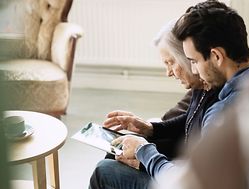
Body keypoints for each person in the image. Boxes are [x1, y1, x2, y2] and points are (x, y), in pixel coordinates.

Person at [89, 1, 249, 188]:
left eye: (193, 61)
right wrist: (152, 130)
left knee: (105, 170)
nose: (194, 71)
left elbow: (189, 184)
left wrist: (143, 151)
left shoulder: (222, 113)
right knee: (118, 152)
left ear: (216, 56)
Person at [89, 20, 222, 189]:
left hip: (183, 178)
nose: (168, 72)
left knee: (104, 171)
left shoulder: (218, 103)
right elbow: (189, 120)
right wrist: (150, 128)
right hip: (178, 168)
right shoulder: (202, 86)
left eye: (170, 62)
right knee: (119, 148)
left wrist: (144, 157)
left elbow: (192, 179)